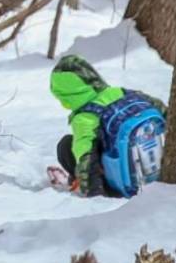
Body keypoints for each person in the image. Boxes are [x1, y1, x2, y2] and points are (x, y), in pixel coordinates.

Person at [49, 55, 167, 198]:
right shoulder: (125, 93)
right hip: (162, 175)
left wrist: (95, 196)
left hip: (122, 188)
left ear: (66, 95)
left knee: (66, 145)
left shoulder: (85, 118)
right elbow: (166, 113)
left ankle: (78, 182)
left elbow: (87, 160)